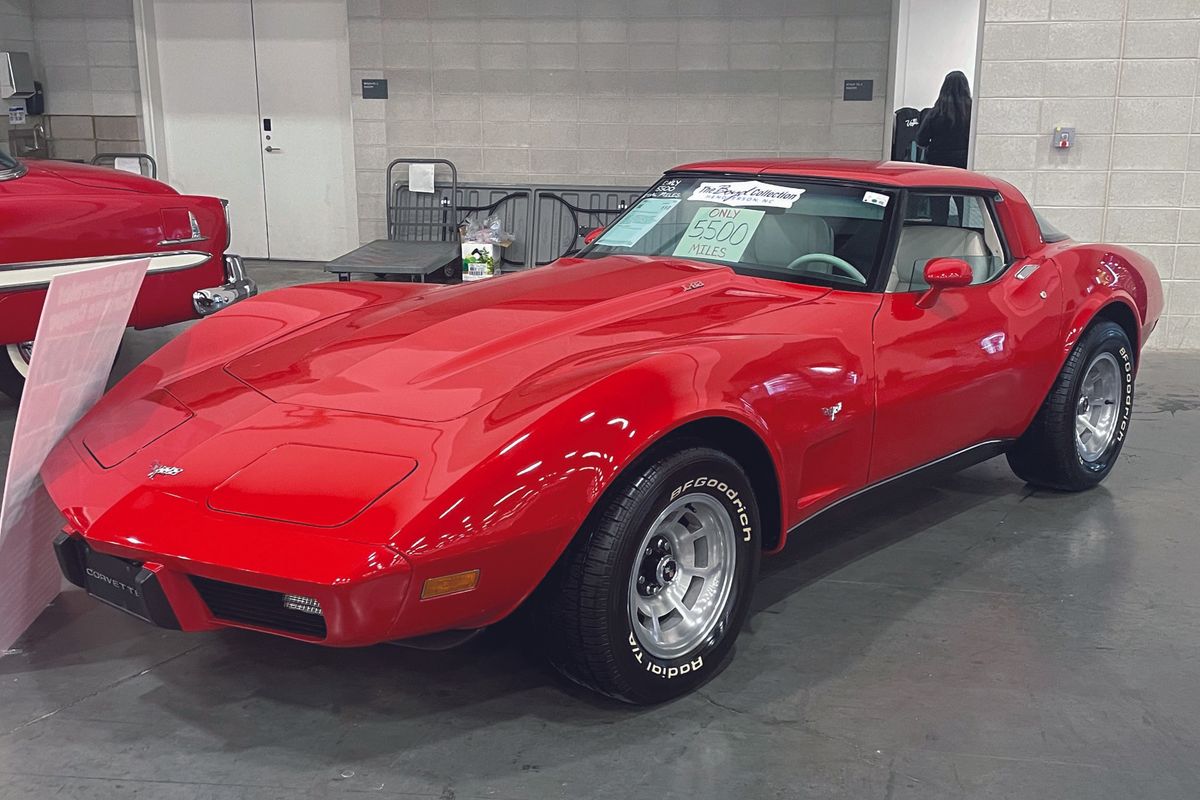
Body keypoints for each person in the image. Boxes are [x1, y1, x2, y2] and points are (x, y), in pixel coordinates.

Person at [916, 71, 972, 169]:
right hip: (964, 162)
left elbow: (921, 140)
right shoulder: (972, 114)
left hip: (937, 162)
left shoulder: (936, 113)